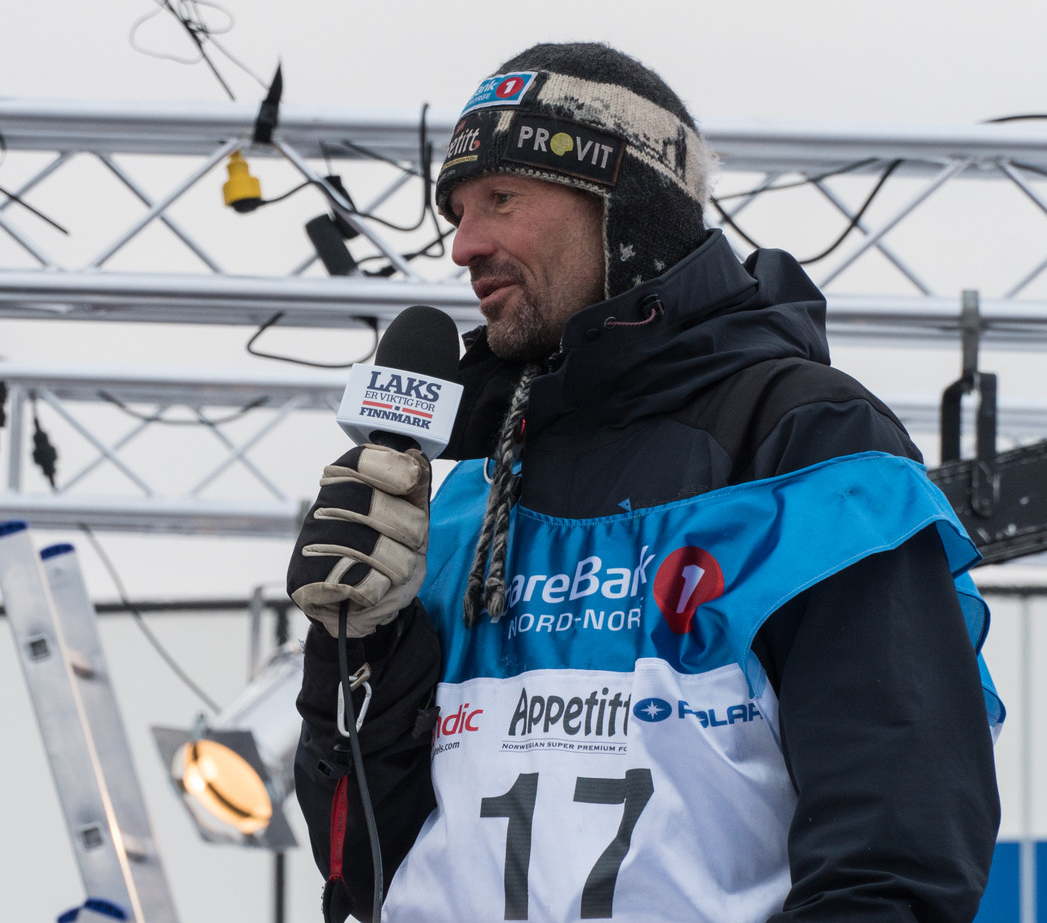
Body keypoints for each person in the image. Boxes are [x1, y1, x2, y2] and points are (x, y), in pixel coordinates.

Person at [287, 42, 1003, 923]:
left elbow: (898, 854)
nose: (465, 244)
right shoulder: (466, 494)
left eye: (501, 199)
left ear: (625, 208)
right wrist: (351, 650)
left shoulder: (802, 442)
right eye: (457, 211)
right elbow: (363, 867)